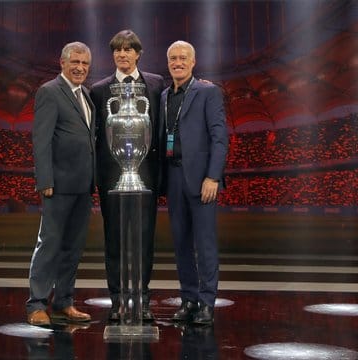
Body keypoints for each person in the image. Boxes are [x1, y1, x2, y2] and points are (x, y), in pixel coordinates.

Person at [90, 30, 165, 322]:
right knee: (114, 240)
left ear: (138, 53)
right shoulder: (98, 90)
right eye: (117, 50)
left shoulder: (156, 85)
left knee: (145, 239)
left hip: (147, 176)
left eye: (128, 49)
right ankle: (118, 299)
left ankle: (143, 299)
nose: (123, 54)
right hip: (111, 179)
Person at [26, 41, 96, 327]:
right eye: (75, 62)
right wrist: (44, 180)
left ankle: (64, 301)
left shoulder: (87, 95)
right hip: (58, 184)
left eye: (85, 64)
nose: (80, 68)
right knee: (50, 244)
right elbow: (41, 140)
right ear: (63, 63)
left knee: (73, 247)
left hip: (83, 185)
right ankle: (36, 304)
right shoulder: (49, 91)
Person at [160, 40, 228, 325]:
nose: (177, 62)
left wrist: (213, 176)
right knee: (181, 244)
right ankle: (188, 300)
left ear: (193, 62)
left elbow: (219, 137)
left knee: (205, 243)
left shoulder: (208, 92)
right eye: (173, 58)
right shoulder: (164, 95)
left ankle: (207, 303)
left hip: (202, 180)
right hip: (173, 177)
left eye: (183, 58)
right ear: (168, 63)